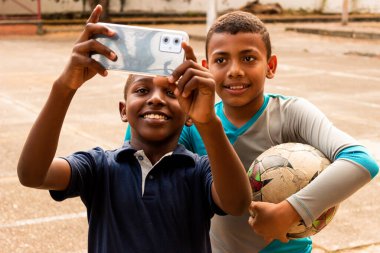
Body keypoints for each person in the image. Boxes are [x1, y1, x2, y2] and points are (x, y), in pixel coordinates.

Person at [17, 5, 252, 253]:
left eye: (172, 93)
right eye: (142, 90)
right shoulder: (99, 167)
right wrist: (64, 87)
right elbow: (32, 174)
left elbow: (237, 203)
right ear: (123, 110)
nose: (156, 99)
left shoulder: (199, 170)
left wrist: (209, 122)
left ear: (189, 116)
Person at [170, 11, 379, 253]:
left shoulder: (291, 114)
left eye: (248, 58)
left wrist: (290, 211)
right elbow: (140, 162)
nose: (235, 70)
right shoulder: (194, 123)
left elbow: (361, 160)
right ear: (205, 68)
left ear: (270, 66)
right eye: (221, 60)